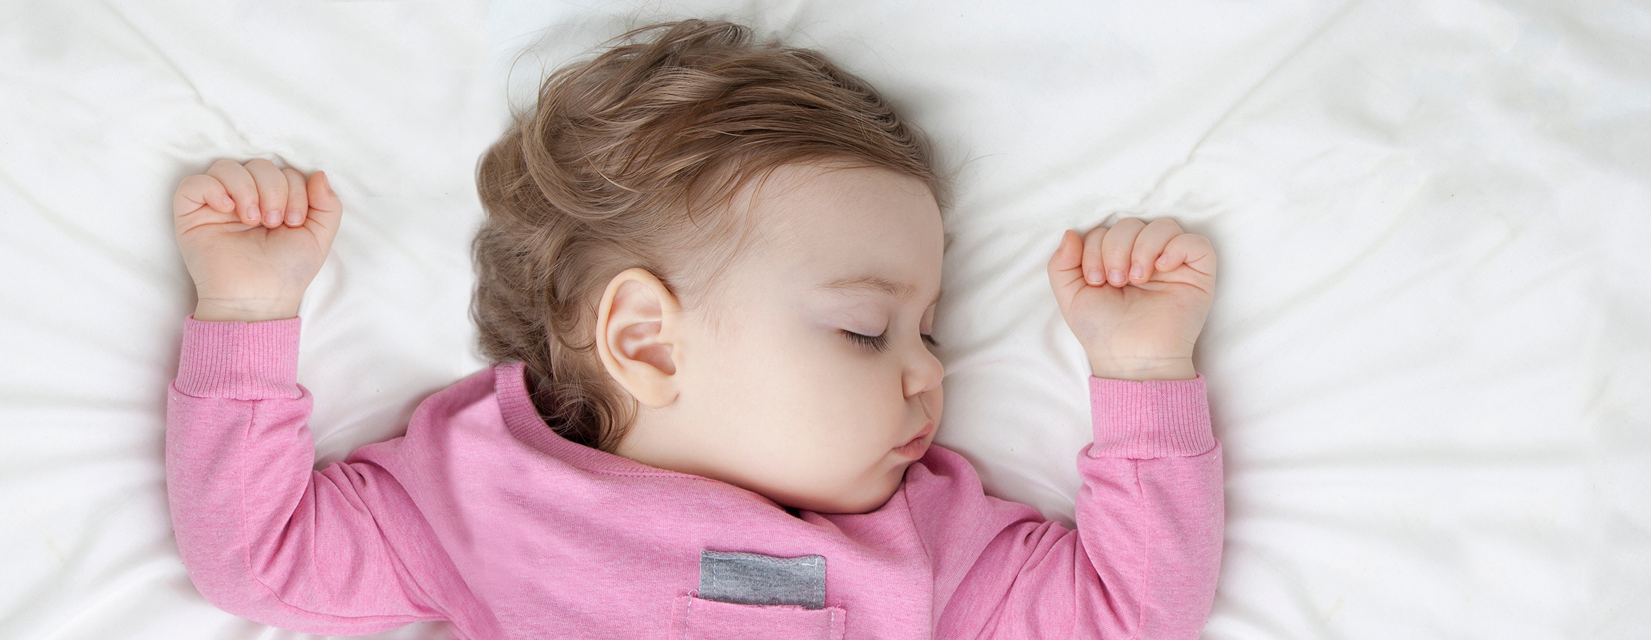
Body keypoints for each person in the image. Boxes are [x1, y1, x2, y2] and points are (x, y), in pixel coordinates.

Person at [166, 19, 1221, 639]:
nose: (925, 379)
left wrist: (1142, 372)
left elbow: (1130, 613)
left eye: (930, 336)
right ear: (647, 341)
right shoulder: (480, 490)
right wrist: (248, 312)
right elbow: (255, 556)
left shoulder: (927, 540)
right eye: (867, 330)